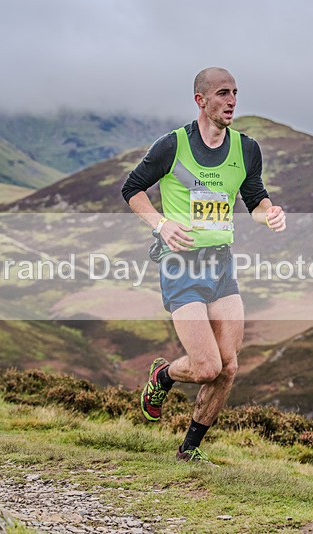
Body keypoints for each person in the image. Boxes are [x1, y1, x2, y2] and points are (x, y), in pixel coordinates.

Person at [121, 67, 286, 463]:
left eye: (235, 93)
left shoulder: (246, 150)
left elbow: (255, 200)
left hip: (221, 267)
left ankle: (189, 451)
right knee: (207, 365)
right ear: (201, 100)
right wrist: (161, 224)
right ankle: (162, 376)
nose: (232, 101)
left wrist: (271, 213)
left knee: (228, 367)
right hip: (181, 267)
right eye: (223, 93)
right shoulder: (172, 145)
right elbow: (132, 189)